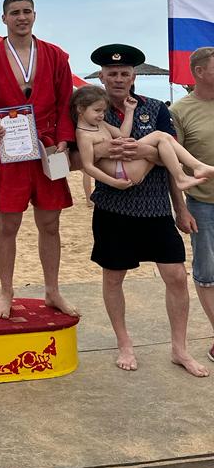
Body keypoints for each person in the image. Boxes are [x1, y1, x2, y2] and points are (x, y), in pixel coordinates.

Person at [89, 43, 208, 376]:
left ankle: (179, 349)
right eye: (112, 73)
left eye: (124, 73)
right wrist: (132, 152)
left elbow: (171, 159)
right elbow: (82, 155)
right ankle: (124, 343)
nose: (118, 78)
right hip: (112, 208)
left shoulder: (155, 108)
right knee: (114, 278)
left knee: (176, 277)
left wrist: (180, 209)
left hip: (156, 208)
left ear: (133, 77)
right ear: (102, 76)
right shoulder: (92, 111)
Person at [0, 0, 78, 319]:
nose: (21, 17)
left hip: (48, 147)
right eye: (15, 12)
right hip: (9, 149)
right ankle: (6, 291)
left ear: (35, 15)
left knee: (50, 223)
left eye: (26, 11)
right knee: (8, 224)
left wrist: (64, 139)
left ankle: (53, 290)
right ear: (3, 18)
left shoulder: (55, 56)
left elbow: (66, 102)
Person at [72, 85, 214, 190]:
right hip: (122, 171)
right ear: (80, 109)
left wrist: (129, 111)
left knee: (162, 137)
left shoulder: (100, 124)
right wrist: (114, 182)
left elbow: (123, 134)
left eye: (103, 111)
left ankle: (193, 170)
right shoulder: (84, 134)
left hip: (125, 166)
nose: (101, 115)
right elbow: (88, 166)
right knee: (160, 138)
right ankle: (186, 174)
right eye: (97, 110)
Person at [171, 47, 214, 363]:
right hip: (203, 205)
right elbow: (173, 166)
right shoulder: (179, 111)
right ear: (199, 72)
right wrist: (181, 209)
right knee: (207, 273)